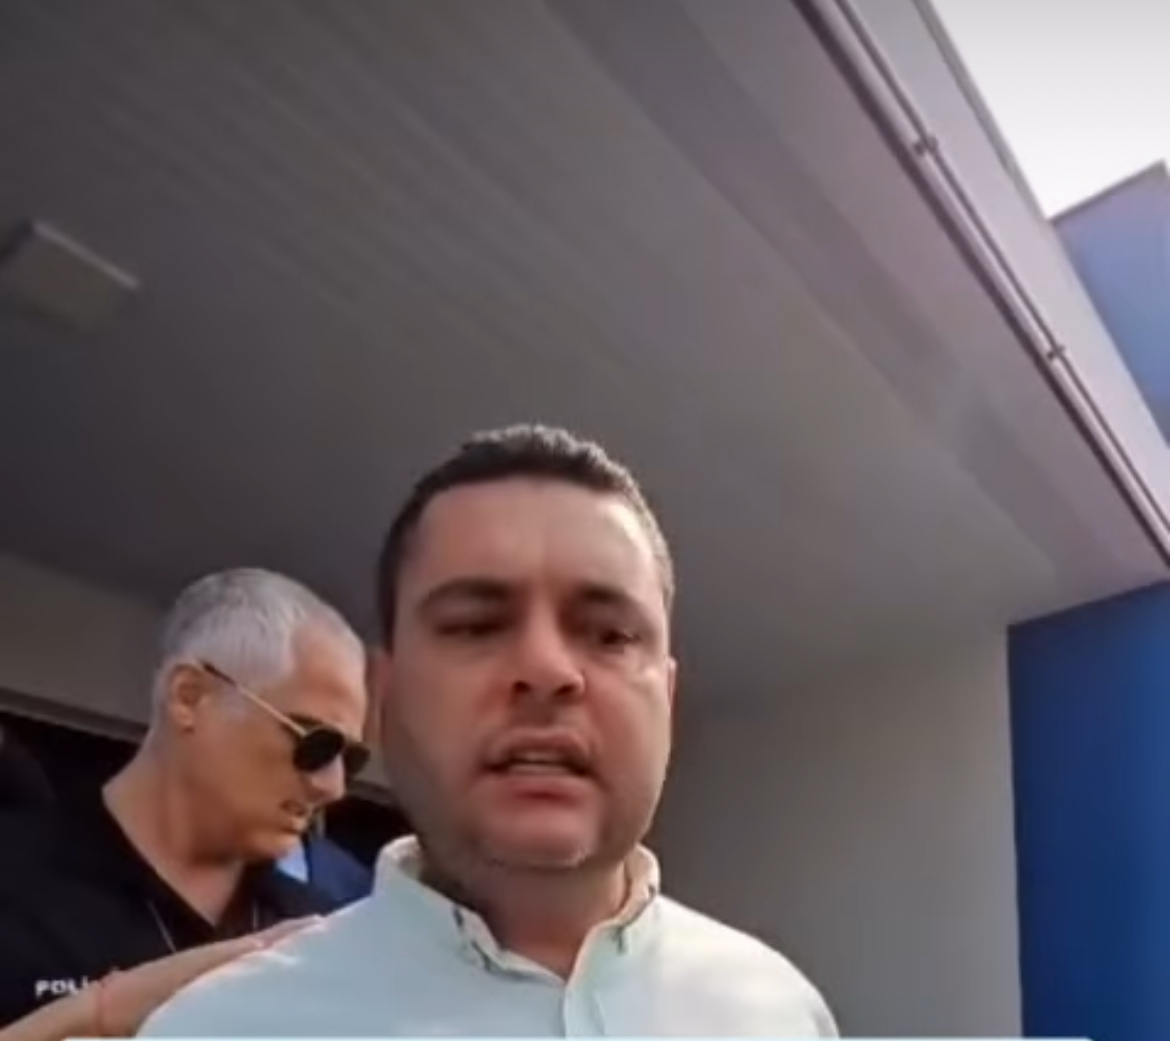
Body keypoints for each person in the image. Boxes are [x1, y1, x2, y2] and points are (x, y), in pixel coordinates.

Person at [139, 425, 838, 1038]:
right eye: (475, 625)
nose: (546, 669)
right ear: (385, 697)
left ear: (669, 700)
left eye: (610, 634)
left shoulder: (782, 1012)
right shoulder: (214, 1029)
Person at [0, 567, 369, 1035]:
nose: (333, 786)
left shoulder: (323, 933)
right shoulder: (14, 878)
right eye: (316, 744)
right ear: (189, 697)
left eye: (350, 759)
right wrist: (94, 1016)